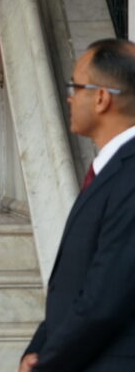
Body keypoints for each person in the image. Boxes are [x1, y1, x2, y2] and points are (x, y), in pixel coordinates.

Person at [19, 38, 135, 371]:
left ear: (101, 98)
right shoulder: (110, 169)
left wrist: (47, 364)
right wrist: (36, 349)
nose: (70, 97)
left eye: (76, 86)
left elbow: (104, 298)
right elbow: (75, 283)